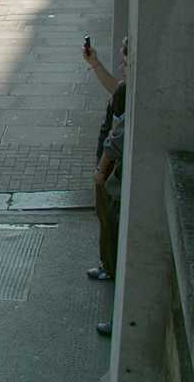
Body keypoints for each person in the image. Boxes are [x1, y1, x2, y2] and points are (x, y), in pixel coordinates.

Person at [83, 36, 128, 337]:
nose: (123, 63)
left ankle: (122, 318)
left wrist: (101, 170)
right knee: (107, 223)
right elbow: (115, 91)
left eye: (126, 57)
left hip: (114, 173)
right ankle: (108, 265)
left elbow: (120, 136)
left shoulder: (137, 88)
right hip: (110, 169)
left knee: (113, 224)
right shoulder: (127, 87)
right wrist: (94, 63)